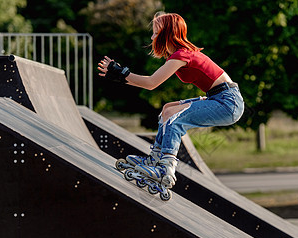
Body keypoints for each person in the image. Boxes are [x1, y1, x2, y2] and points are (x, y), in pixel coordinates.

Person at [98, 11, 244, 191]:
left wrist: (123, 74)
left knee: (175, 118)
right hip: (219, 97)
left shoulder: (181, 56)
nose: (152, 37)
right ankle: (155, 159)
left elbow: (151, 83)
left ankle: (166, 169)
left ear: (167, 34)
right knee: (168, 109)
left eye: (155, 32)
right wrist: (121, 77)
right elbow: (150, 82)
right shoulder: (178, 55)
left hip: (228, 102)